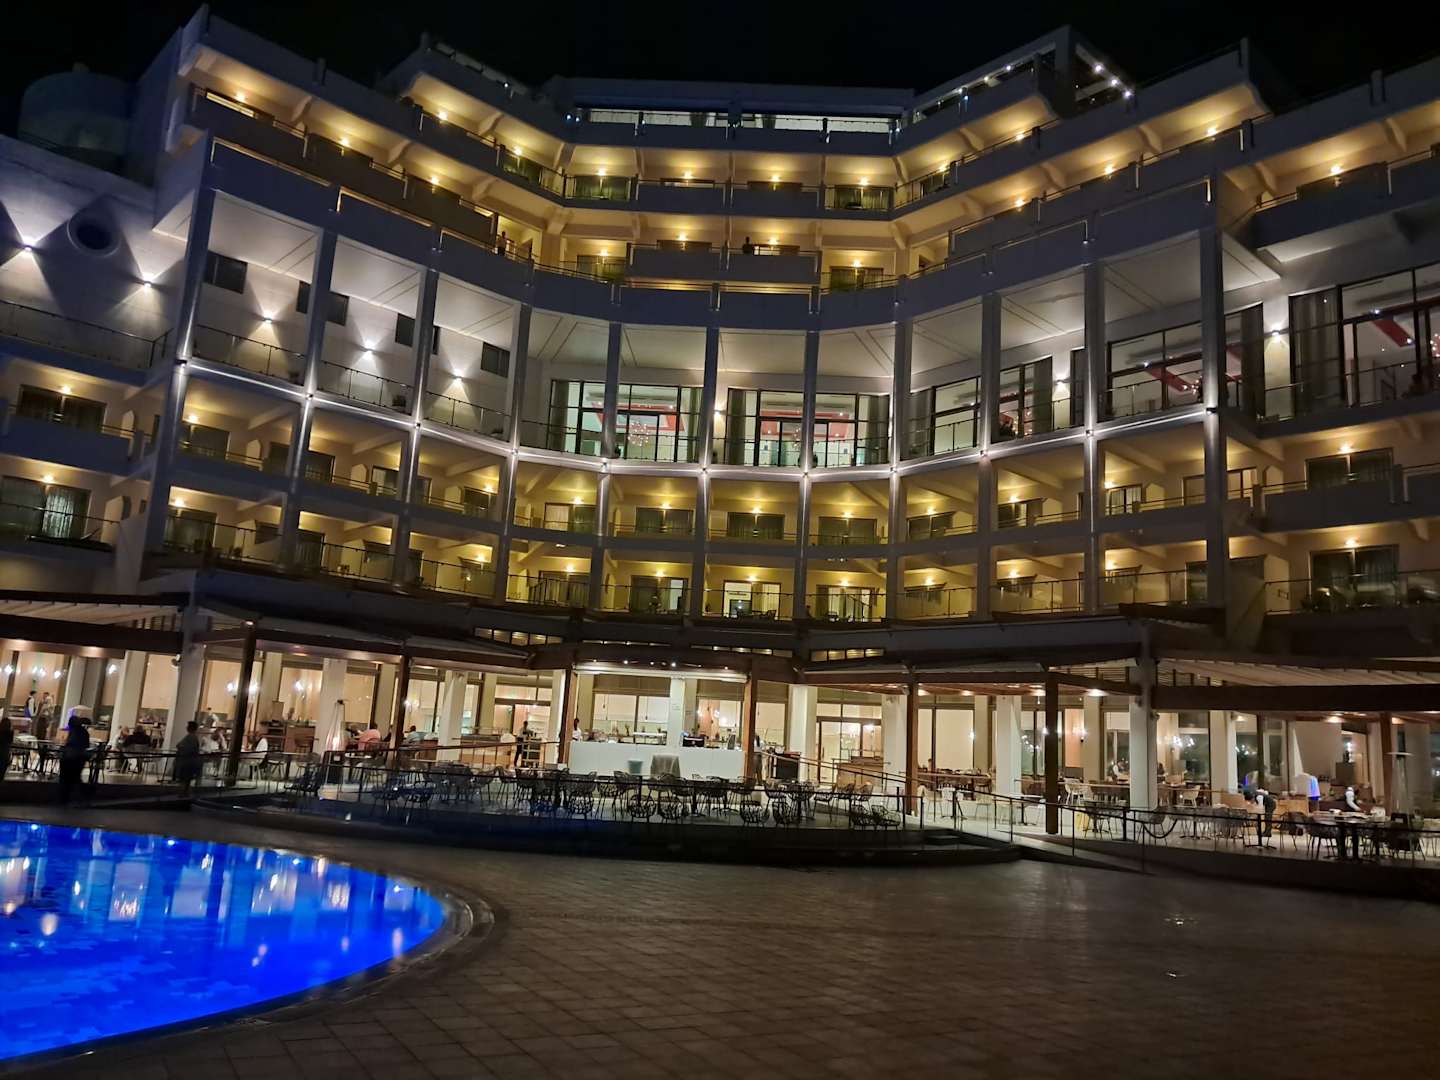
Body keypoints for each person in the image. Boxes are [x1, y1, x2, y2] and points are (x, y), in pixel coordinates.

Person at [57, 713, 91, 805]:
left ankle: (64, 798)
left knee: (67, 778)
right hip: (79, 758)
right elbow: (86, 745)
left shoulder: (74, 732)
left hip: (70, 758)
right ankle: (80, 798)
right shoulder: (84, 732)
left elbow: (71, 744)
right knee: (75, 778)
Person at [174, 720, 202, 795]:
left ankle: (183, 793)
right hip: (187, 761)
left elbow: (188, 748)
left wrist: (181, 748)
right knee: (186, 779)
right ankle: (185, 792)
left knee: (185, 778)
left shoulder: (191, 737)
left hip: (187, 761)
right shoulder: (191, 737)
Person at [0, 714, 13, 782]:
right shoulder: (10, 733)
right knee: (2, 770)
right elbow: (10, 742)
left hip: (2, 751)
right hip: (5, 753)